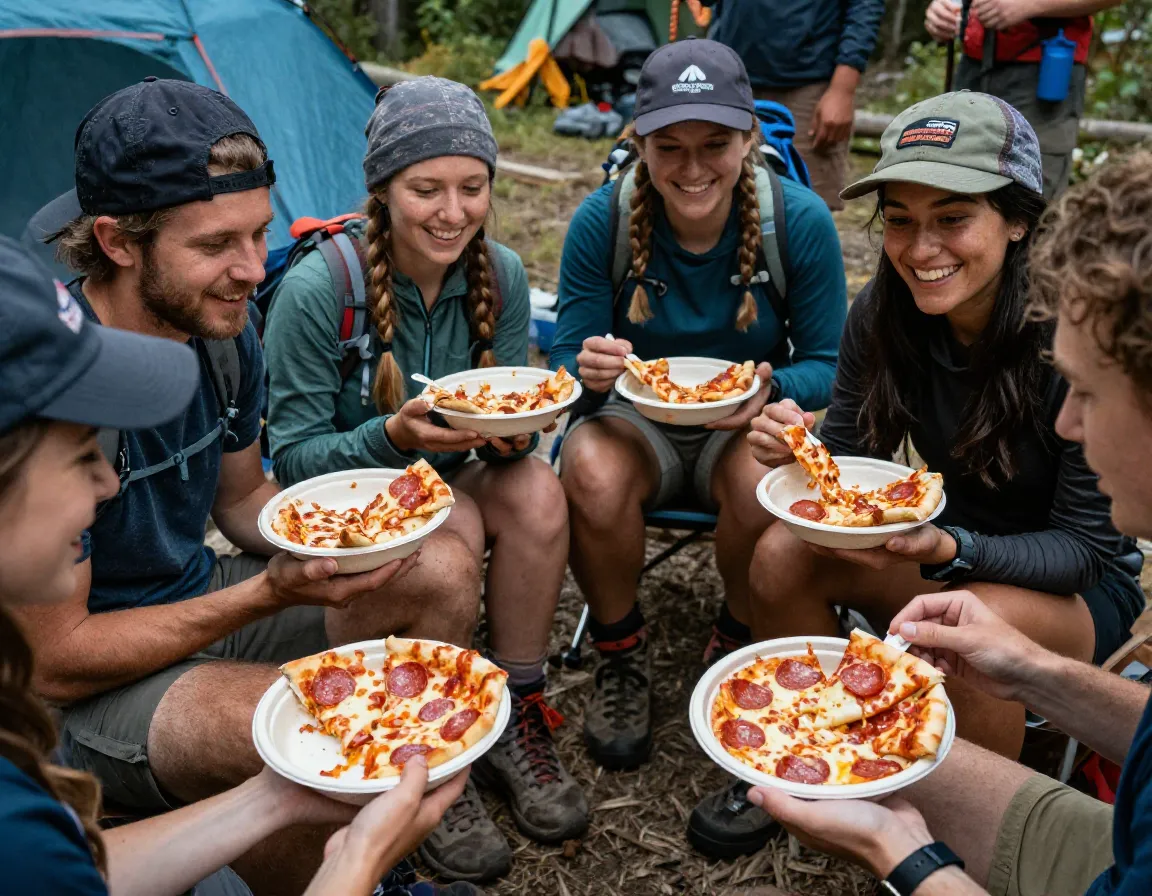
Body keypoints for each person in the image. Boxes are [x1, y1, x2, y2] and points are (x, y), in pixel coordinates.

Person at [12, 78, 481, 896]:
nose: (250, 269)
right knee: (278, 723)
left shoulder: (222, 331)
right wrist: (262, 597)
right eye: (215, 245)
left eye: (261, 234)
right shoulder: (64, 391)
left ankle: (396, 790)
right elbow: (55, 661)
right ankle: (349, 864)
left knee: (436, 564)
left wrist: (357, 535)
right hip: (83, 695)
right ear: (120, 243)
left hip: (195, 602)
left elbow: (240, 500)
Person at [688, 90, 1145, 858]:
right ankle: (820, 762)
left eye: (952, 217)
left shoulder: (1068, 338)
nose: (920, 247)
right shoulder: (883, 312)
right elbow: (843, 465)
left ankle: (965, 841)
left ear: (1019, 219)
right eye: (900, 219)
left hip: (1073, 590)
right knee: (780, 553)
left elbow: (1088, 550)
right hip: (941, 552)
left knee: (962, 622)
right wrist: (800, 451)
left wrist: (946, 550)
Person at [263, 76, 587, 883]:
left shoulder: (501, 273)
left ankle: (511, 708)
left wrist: (517, 431)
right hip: (361, 512)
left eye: (472, 187)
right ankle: (432, 754)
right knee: (452, 540)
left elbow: (502, 433)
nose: (452, 212)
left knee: (540, 490)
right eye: (425, 190)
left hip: (456, 479)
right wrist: (388, 434)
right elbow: (293, 459)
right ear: (382, 190)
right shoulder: (318, 290)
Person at [550, 38, 847, 772]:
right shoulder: (605, 221)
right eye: (669, 147)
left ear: (747, 138)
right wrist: (587, 368)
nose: (691, 169)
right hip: (633, 423)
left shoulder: (798, 221)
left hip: (741, 426)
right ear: (640, 144)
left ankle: (735, 634)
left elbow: (833, 366)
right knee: (587, 465)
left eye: (714, 144)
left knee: (762, 474)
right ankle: (621, 653)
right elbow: (564, 356)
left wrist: (771, 390)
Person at [924, 0, 1122, 199]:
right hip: (973, 69)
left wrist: (1030, 4)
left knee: (1032, 201)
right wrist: (945, 9)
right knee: (955, 188)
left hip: (1044, 74)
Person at [703, 0, 885, 209]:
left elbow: (865, 5)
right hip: (730, 79)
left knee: (806, 207)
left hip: (809, 86)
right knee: (725, 202)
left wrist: (842, 89)